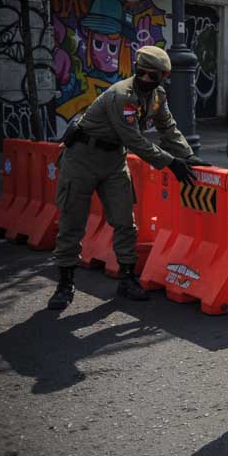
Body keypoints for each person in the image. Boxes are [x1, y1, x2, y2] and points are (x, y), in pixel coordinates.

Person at [48, 46, 199, 311]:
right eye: (141, 73)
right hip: (82, 158)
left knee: (124, 221)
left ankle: (127, 278)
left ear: (163, 77)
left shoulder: (157, 97)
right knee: (72, 221)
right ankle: (65, 283)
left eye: (153, 76)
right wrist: (171, 163)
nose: (145, 80)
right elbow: (134, 139)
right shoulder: (122, 96)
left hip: (114, 161)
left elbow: (168, 128)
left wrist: (188, 155)